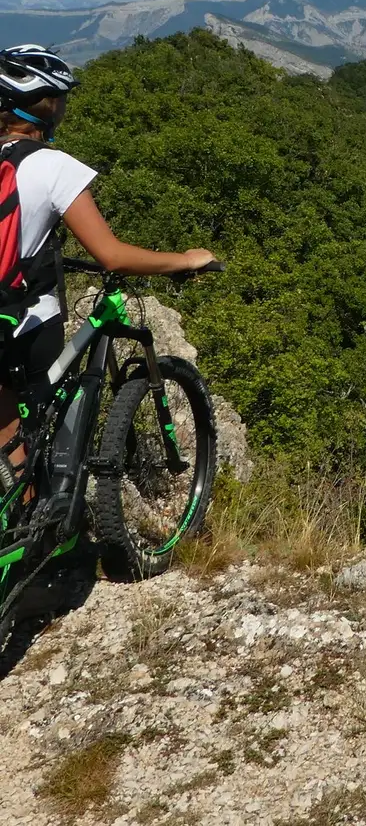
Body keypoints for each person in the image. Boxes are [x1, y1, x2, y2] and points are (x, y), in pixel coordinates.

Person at [0, 44, 215, 512]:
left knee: (6, 429)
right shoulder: (51, 166)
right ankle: (35, 532)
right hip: (21, 324)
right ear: (50, 105)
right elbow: (112, 255)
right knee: (32, 431)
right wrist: (185, 260)